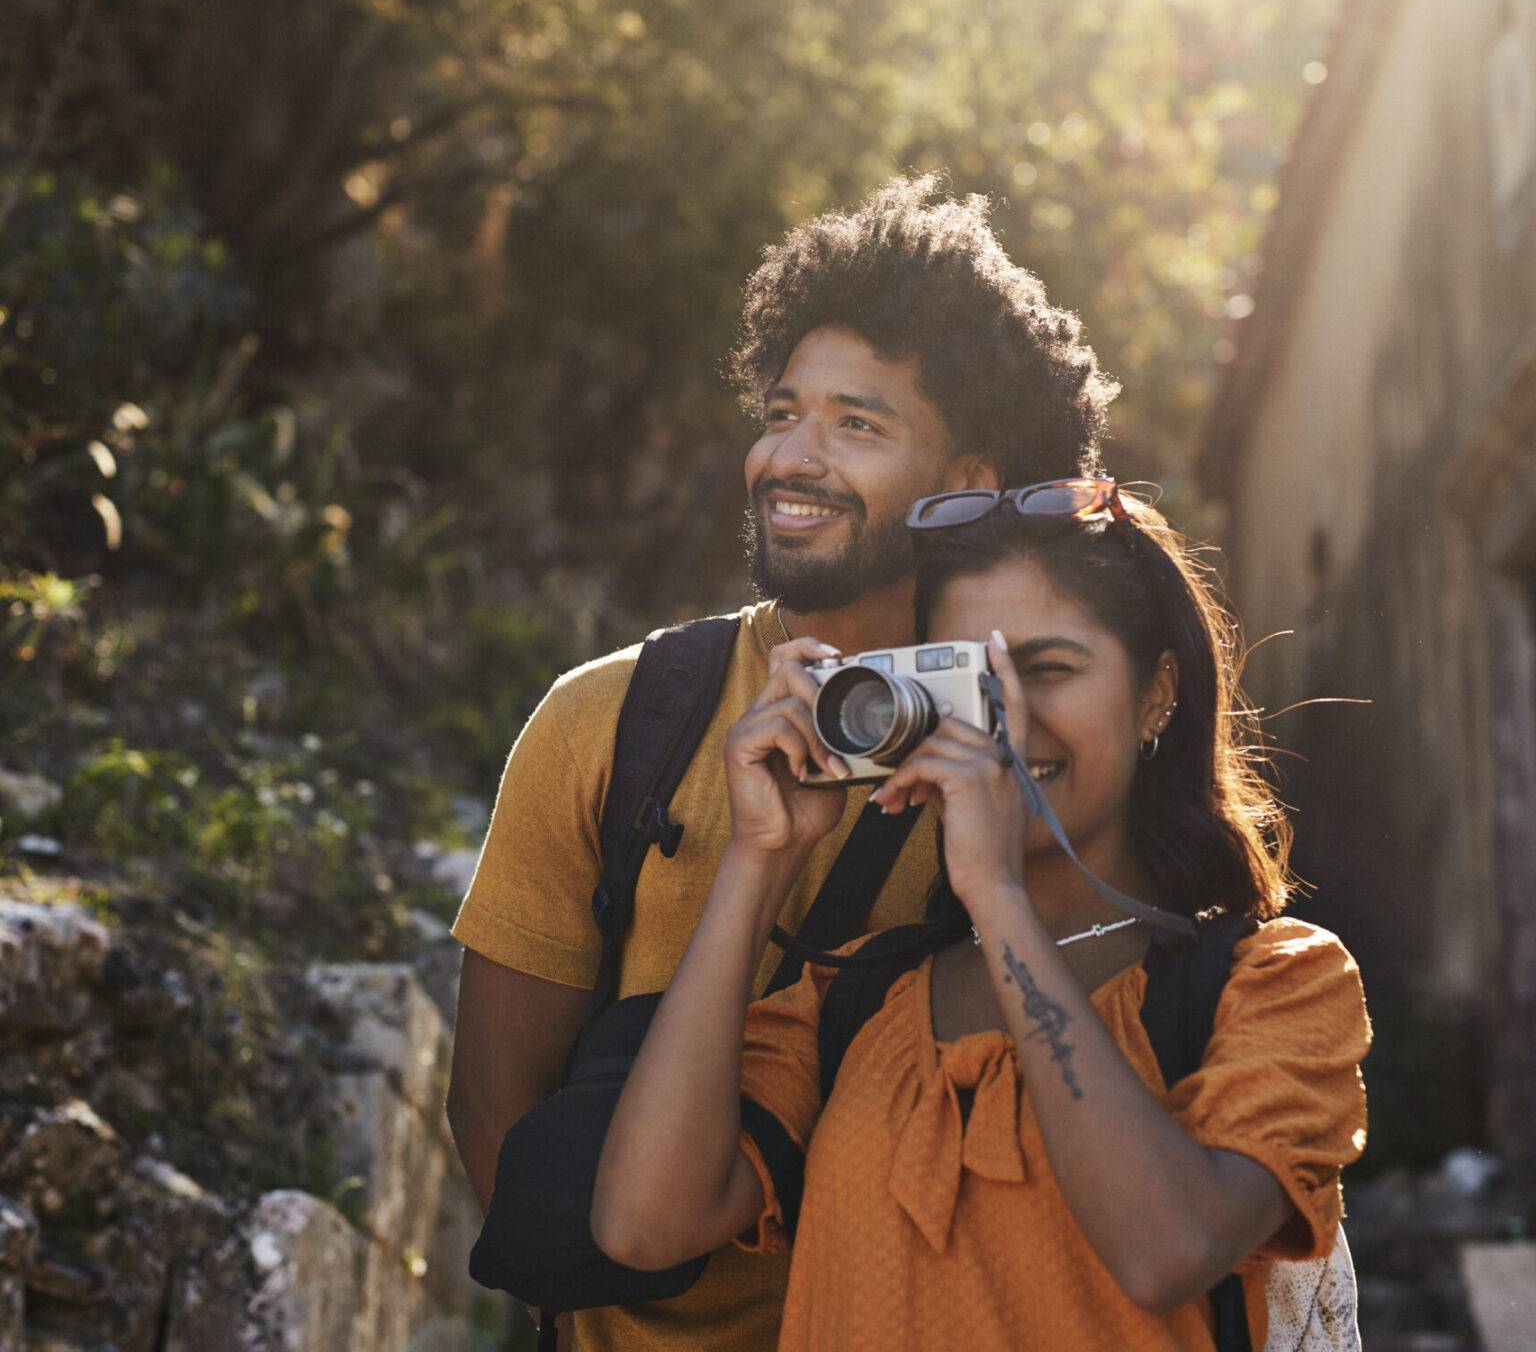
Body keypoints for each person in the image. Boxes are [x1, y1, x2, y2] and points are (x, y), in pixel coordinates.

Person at [446, 176, 1117, 1352]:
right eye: (779, 412)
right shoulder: (607, 722)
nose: (790, 458)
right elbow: (495, 1106)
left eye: (858, 424)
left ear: (968, 484)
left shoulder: (1044, 750)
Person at [591, 479, 1371, 1350]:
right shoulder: (855, 1001)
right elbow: (643, 1224)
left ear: (1157, 693)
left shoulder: (1275, 983)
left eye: (1046, 671)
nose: (1004, 725)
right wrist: (759, 856)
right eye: (971, 684)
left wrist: (996, 896)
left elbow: (1167, 1252)